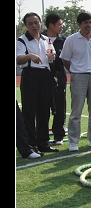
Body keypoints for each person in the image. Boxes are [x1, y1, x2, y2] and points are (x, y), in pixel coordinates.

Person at [60, 12, 91, 151]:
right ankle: (73, 141)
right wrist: (75, 71)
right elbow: (65, 59)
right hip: (78, 76)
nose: (89, 25)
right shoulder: (71, 40)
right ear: (79, 24)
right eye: (86, 22)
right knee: (76, 111)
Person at [16, 12, 58, 154]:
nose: (34, 26)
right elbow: (18, 59)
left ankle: (43, 143)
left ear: (40, 23)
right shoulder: (22, 40)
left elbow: (51, 56)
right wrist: (29, 56)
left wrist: (52, 57)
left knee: (44, 110)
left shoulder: (46, 39)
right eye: (30, 23)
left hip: (45, 75)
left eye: (36, 22)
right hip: (30, 75)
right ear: (26, 26)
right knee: (29, 111)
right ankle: (31, 144)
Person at [43, 13, 67, 145]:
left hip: (60, 78)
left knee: (60, 106)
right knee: (43, 107)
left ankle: (59, 135)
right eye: (59, 24)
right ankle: (42, 136)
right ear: (51, 25)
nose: (61, 26)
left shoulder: (64, 41)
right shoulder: (40, 39)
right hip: (44, 78)